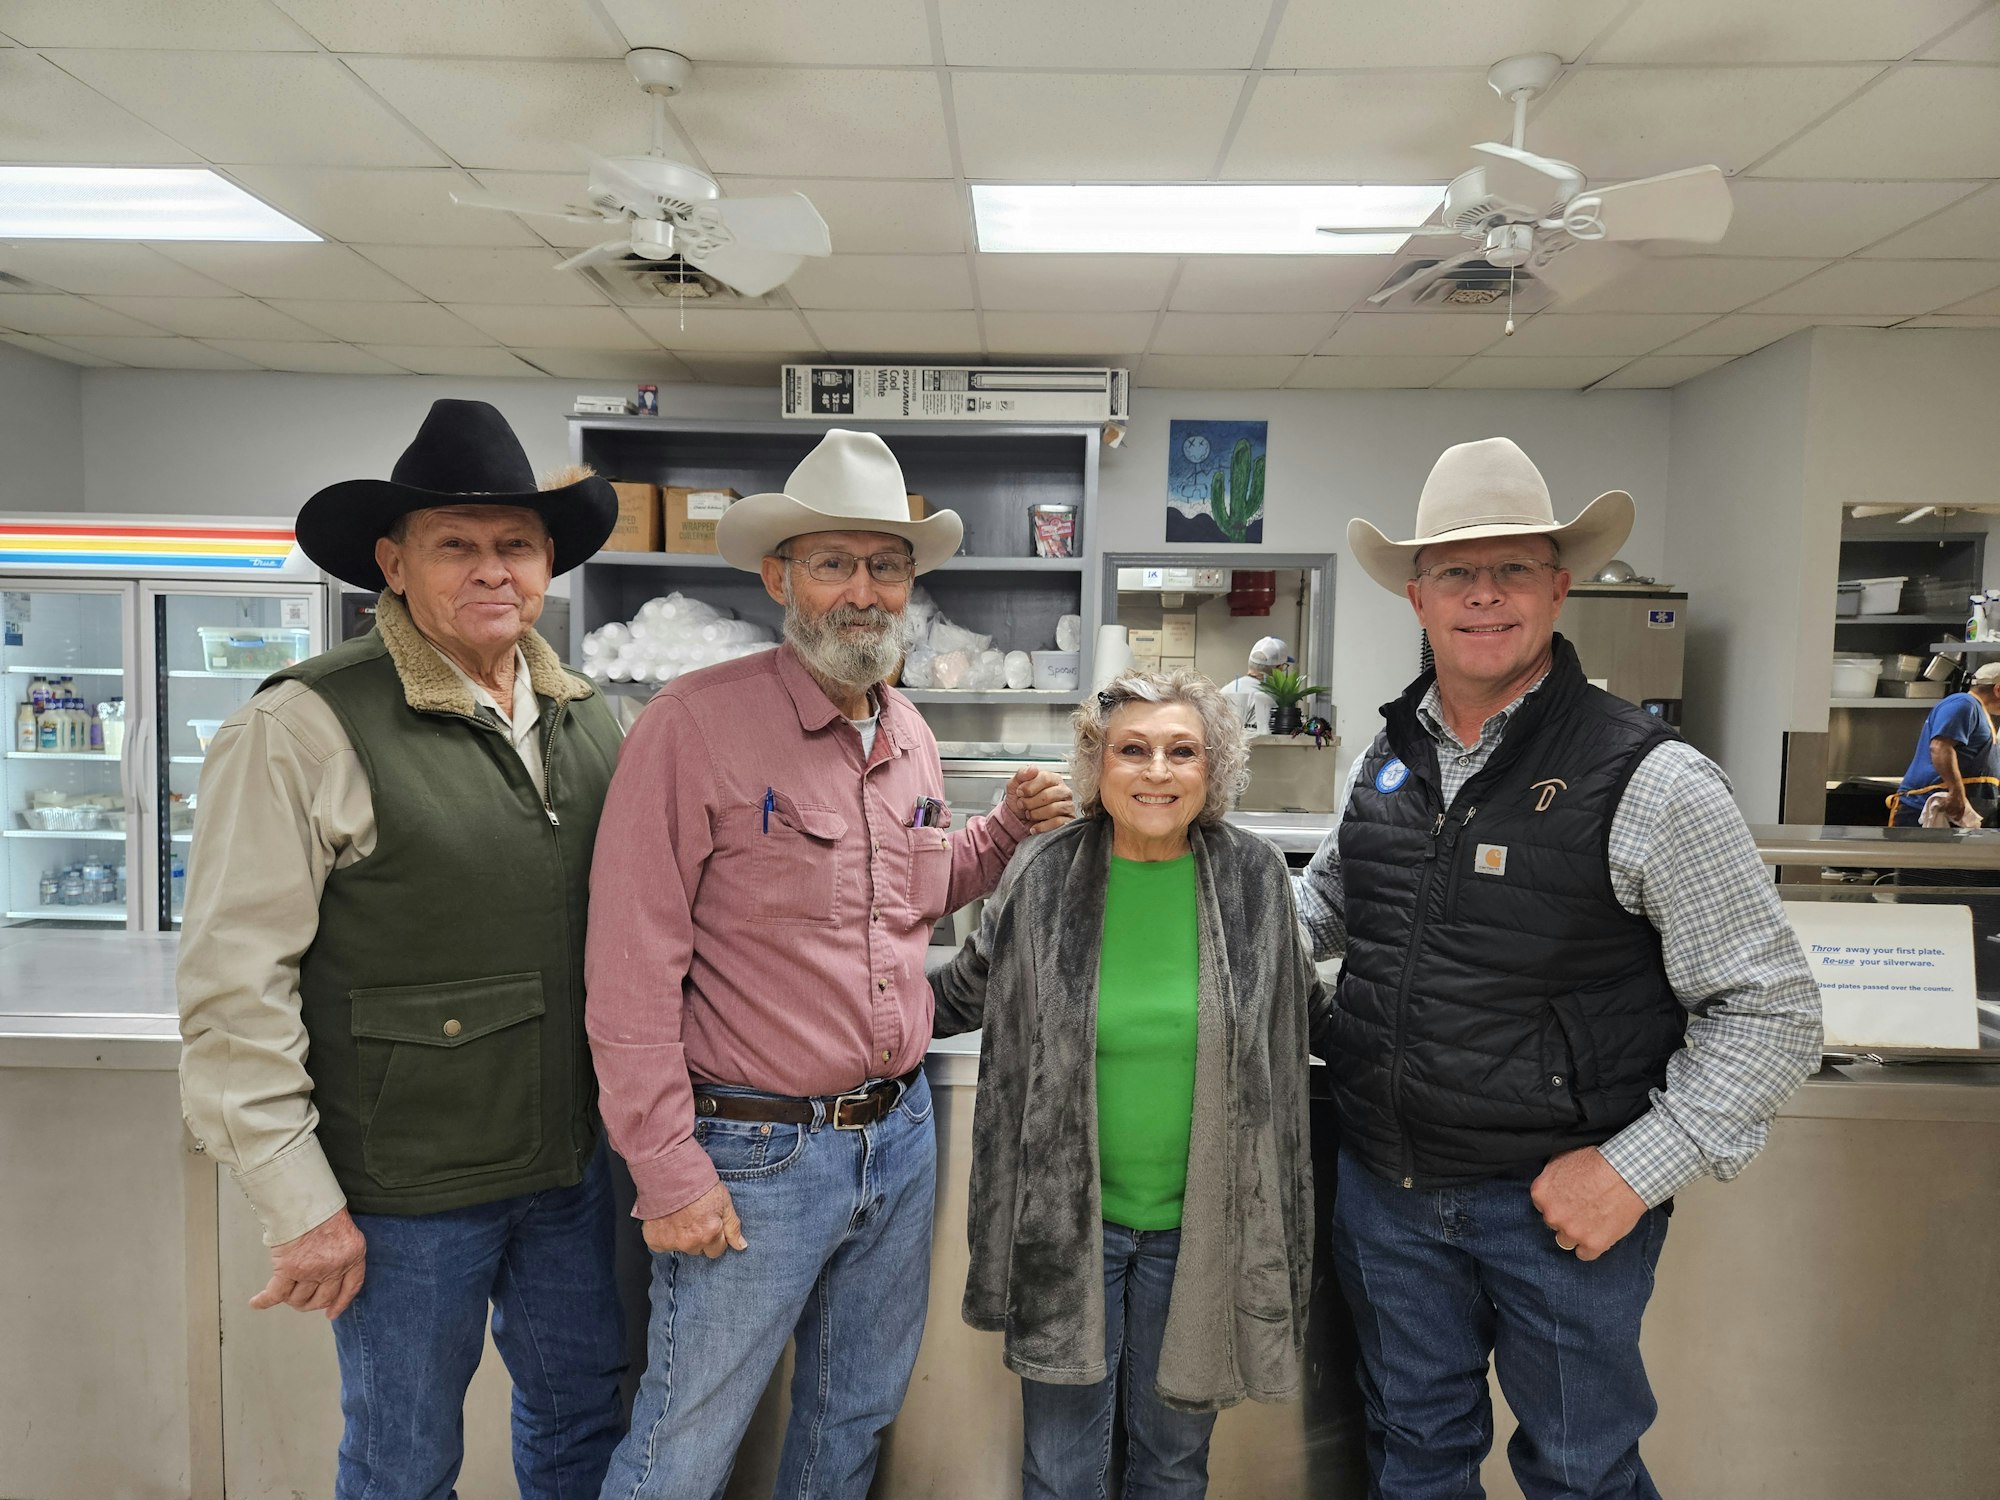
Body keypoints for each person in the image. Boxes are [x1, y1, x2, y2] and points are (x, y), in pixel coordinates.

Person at [1300, 436, 1822, 1500]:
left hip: (1554, 1207)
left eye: (1513, 569)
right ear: (1416, 597)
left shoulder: (1651, 778)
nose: (1483, 594)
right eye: (1455, 571)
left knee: (1581, 1473)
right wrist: (1159, 908)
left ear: (1557, 587)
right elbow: (1316, 915)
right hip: (1387, 1197)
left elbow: (1771, 1011)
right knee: (1412, 1456)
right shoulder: (1385, 758)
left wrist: (1631, 1171)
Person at [586, 427, 1076, 1500]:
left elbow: (913, 892)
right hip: (751, 1152)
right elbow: (628, 970)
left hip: (896, 1138)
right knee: (683, 1441)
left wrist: (998, 834)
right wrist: (666, 1170)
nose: (863, 590)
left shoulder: (909, 731)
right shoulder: (690, 728)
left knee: (851, 1418)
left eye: (886, 566)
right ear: (780, 579)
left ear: (910, 586)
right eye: (833, 563)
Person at [177, 399, 629, 1500]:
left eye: (516, 544)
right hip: (405, 1184)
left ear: (548, 563)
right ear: (393, 563)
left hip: (569, 1167)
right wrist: (299, 1202)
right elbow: (235, 986)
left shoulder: (589, 718)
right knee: (403, 1456)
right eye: (455, 544)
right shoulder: (302, 725)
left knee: (585, 1418)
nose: (493, 570)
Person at [930, 669, 1320, 1500]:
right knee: (1060, 1470)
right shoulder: (1043, 875)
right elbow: (963, 993)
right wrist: (840, 1016)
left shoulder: (1253, 880)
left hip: (1203, 1230)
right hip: (1069, 1229)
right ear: (1096, 766)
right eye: (1132, 750)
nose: (1157, 772)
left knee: (1173, 1466)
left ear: (1214, 770)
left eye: (1183, 752)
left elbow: (1308, 1013)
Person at [1886, 661, 2000, 826]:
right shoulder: (1964, 704)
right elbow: (1940, 747)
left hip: (1957, 814)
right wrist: (1956, 791)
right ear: (1998, 689)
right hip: (1924, 807)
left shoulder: (1981, 713)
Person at [1219, 634, 1289, 729]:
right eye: (1284, 667)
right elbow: (1263, 736)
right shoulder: (1268, 699)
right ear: (1278, 668)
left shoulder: (1225, 690)